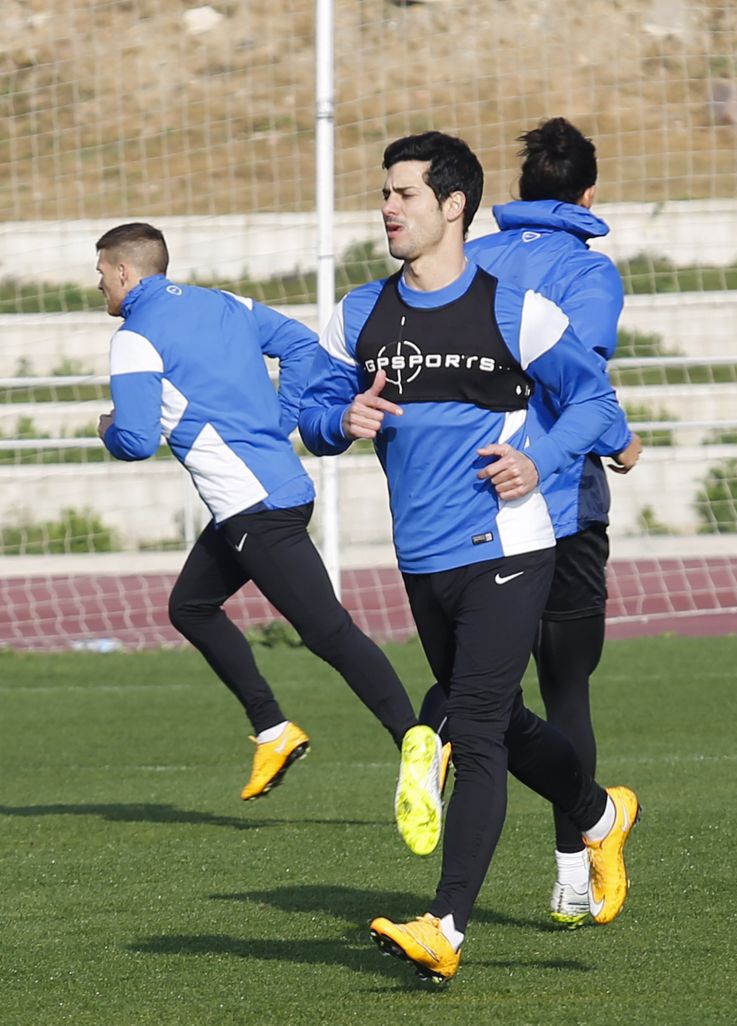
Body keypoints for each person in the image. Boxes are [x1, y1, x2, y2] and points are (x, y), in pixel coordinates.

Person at [297, 131, 639, 983]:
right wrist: (336, 424)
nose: (386, 208)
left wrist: (543, 462)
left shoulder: (514, 311)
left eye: (403, 194)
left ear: (453, 206)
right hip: (422, 557)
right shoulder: (356, 314)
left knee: (477, 732)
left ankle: (444, 926)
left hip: (511, 544)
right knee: (506, 721)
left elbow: (596, 404)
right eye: (383, 193)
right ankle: (600, 815)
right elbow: (304, 412)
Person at [93, 222, 444, 855]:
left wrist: (108, 426)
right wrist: (278, 421)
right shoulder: (224, 302)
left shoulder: (134, 338)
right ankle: (273, 730)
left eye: (101, 274)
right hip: (262, 498)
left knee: (329, 633)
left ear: (123, 273)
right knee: (190, 607)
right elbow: (303, 346)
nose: (98, 286)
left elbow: (137, 440)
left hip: (257, 509)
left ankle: (419, 743)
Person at [416, 116, 641, 929]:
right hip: (558, 504)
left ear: (516, 194)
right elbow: (576, 379)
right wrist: (619, 437)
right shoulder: (589, 272)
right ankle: (574, 869)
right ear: (587, 194)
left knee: (479, 687)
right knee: (565, 688)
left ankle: (426, 734)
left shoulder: (469, 257)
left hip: (470, 500)